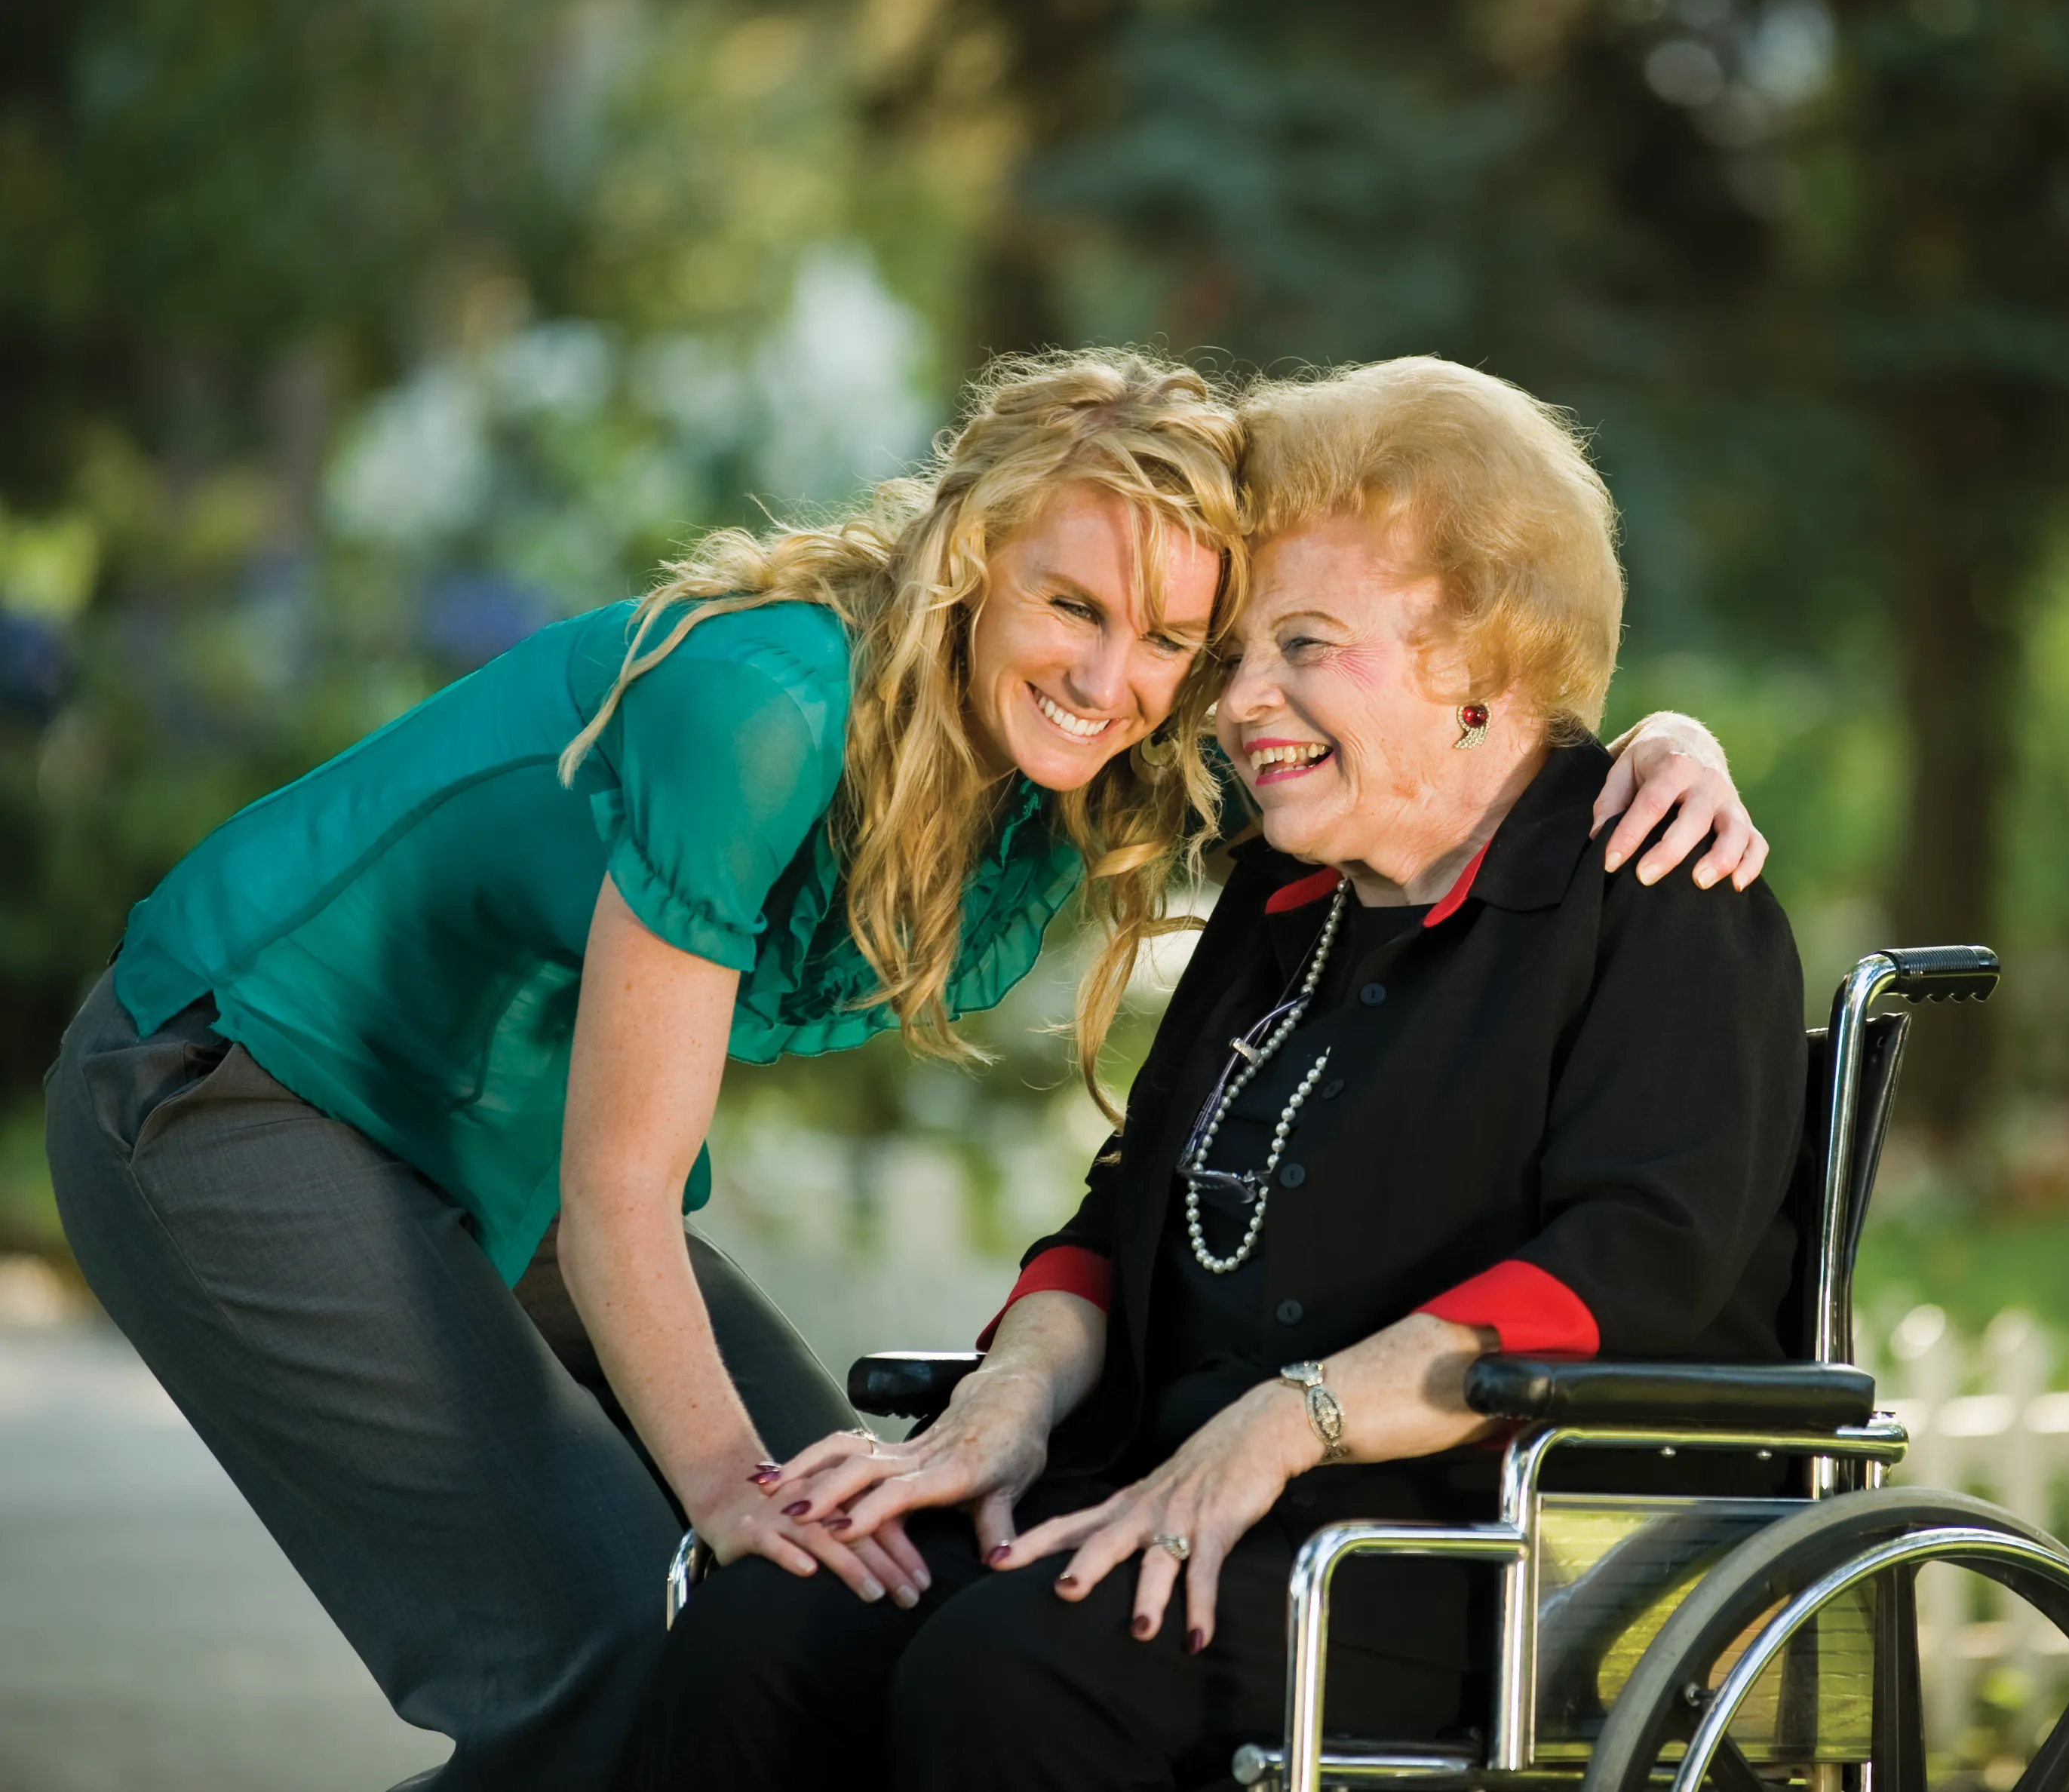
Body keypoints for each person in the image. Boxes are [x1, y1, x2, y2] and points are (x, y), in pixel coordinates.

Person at [38, 347, 1764, 1792]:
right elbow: (666, 1191)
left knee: (844, 1579)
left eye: (1216, 641)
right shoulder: (784, 706)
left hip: (514, 1153)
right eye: (1092, 608)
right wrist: (810, 1469)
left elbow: (1480, 801)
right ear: (972, 559)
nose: (1175, 686)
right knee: (659, 1624)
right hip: (250, 1078)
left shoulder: (1147, 764)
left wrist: (1657, 738)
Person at [628, 356, 1810, 1792]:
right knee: (772, 1624)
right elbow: (1121, 1213)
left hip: (1465, 1560)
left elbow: (1627, 1267)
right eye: (1235, 654)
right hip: (1167, 1487)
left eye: (1305, 644)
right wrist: (1002, 1402)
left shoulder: (1654, 891)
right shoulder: (1287, 897)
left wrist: (1292, 1418)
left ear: (1484, 657)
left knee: (1008, 1673)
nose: (1242, 702)